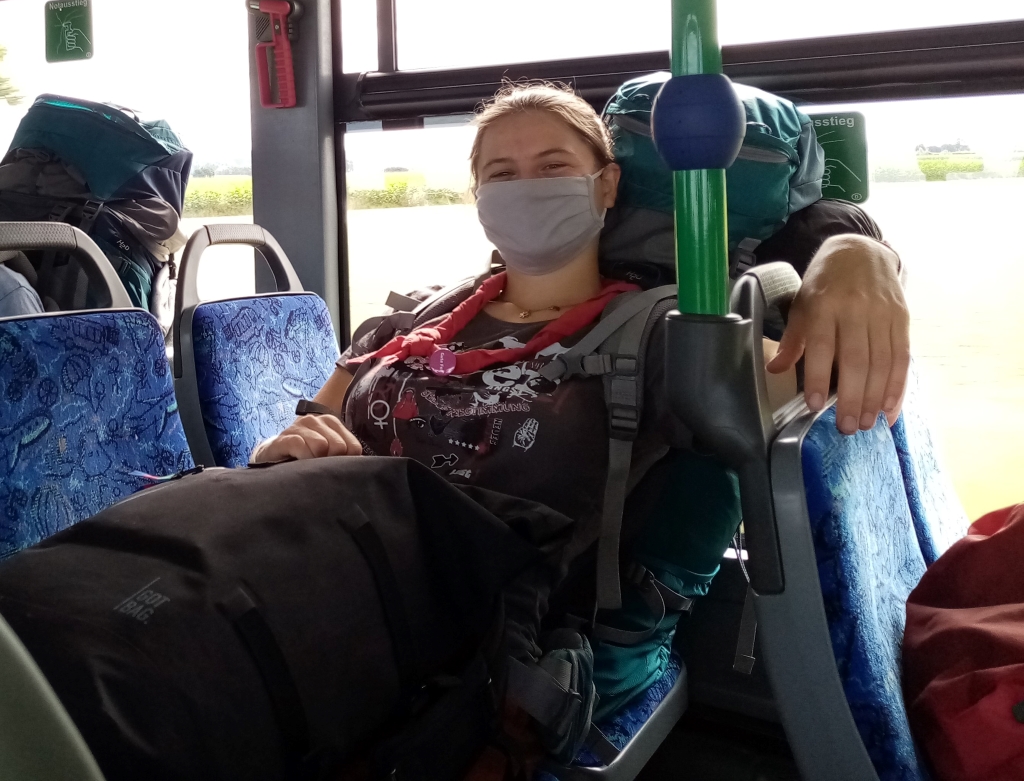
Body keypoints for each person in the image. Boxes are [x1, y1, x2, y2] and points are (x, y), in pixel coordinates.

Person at [252, 82, 909, 739]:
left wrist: (853, 250)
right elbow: (293, 443)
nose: (526, 188)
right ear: (478, 197)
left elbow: (820, 377)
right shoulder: (410, 320)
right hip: (319, 564)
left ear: (606, 185)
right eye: (501, 174)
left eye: (553, 166)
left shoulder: (662, 335)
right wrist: (289, 453)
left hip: (452, 630)